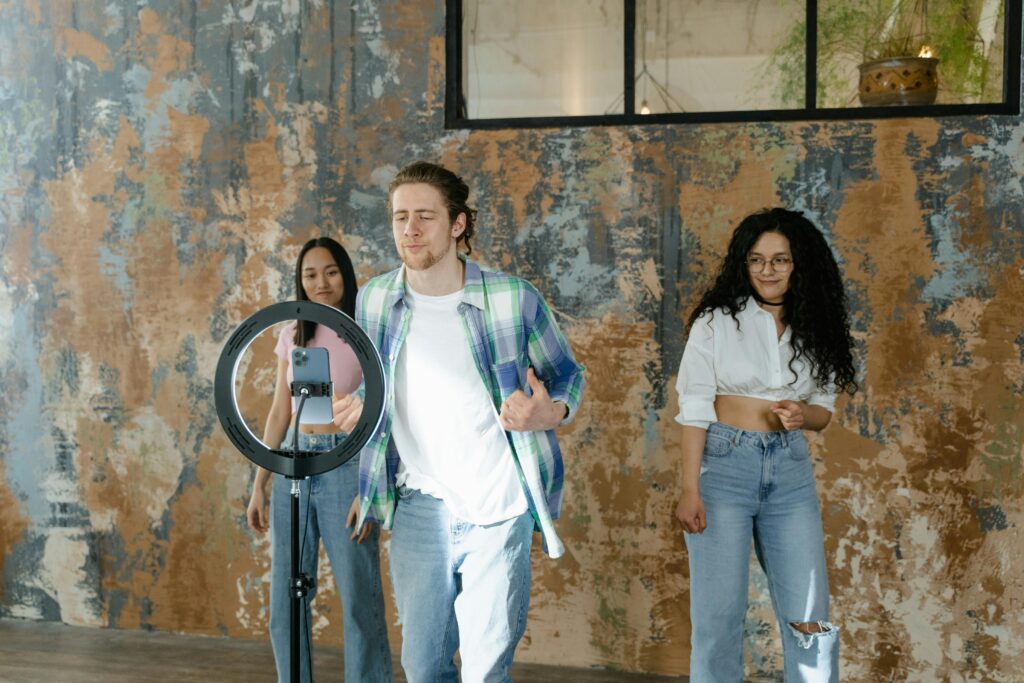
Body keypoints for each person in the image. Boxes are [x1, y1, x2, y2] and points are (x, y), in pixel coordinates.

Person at [333, 161, 585, 682]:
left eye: (425, 216)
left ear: (458, 224)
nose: (411, 229)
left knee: (485, 670)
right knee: (423, 668)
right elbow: (382, 384)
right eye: (401, 217)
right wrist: (359, 406)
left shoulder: (513, 298)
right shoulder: (376, 299)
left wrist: (550, 411)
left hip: (499, 506)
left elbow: (567, 377)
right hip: (419, 506)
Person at [674, 208, 858, 682]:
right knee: (718, 618)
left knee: (809, 615)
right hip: (724, 468)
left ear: (800, 265)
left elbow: (822, 410)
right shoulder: (716, 322)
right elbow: (694, 408)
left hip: (790, 474)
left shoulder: (816, 326)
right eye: (757, 260)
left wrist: (803, 416)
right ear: (744, 264)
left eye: (780, 260)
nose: (768, 270)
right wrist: (689, 489)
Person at [246, 236, 393, 683]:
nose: (320, 282)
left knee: (358, 600)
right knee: (284, 604)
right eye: (310, 274)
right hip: (295, 463)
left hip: (346, 465)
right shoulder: (292, 331)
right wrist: (259, 483)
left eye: (330, 271)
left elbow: (383, 412)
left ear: (345, 274)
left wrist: (370, 489)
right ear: (300, 280)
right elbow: (279, 410)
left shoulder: (366, 328)